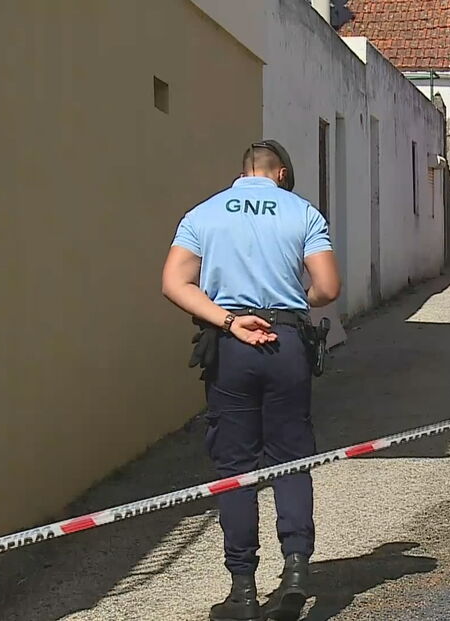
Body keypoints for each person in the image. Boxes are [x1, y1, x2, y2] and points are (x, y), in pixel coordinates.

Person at [162, 141, 341, 621]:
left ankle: (242, 589)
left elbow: (174, 283)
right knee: (291, 458)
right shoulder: (303, 213)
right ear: (281, 174)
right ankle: (297, 568)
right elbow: (327, 288)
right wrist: (290, 302)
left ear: (244, 172)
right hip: (286, 342)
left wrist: (227, 320)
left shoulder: (203, 215)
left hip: (233, 344)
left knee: (236, 467)